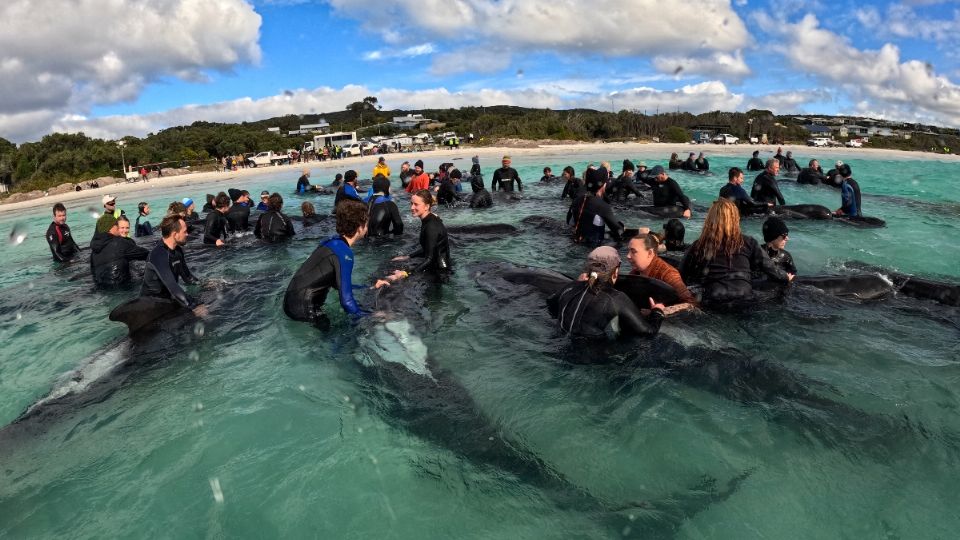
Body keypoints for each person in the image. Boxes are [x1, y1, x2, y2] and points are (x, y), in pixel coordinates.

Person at [679, 199, 793, 309]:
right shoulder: (749, 242)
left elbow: (680, 276)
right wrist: (785, 277)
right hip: (744, 300)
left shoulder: (699, 245)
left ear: (710, 220)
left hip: (714, 301)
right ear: (735, 219)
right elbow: (770, 268)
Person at [546, 246, 665, 339]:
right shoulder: (616, 299)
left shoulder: (570, 287)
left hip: (560, 346)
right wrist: (657, 312)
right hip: (592, 360)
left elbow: (550, 304)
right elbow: (648, 333)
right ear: (616, 271)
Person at [283, 200, 370, 326]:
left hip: (290, 302)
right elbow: (346, 302)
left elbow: (337, 284)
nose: (367, 228)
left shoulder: (329, 241)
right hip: (304, 310)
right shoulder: (345, 253)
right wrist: (371, 316)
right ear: (360, 227)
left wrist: (366, 288)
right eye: (366, 224)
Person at [383, 190, 452, 283]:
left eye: (416, 204)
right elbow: (429, 248)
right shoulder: (430, 219)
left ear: (427, 206)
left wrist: (406, 273)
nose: (412, 207)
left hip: (440, 273)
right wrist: (408, 257)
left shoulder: (431, 226)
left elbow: (429, 259)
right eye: (411, 203)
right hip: (437, 266)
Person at [141, 215, 202, 311]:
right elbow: (173, 287)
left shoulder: (178, 251)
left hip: (168, 299)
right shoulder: (158, 255)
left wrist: (204, 284)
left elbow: (188, 277)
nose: (187, 234)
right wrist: (193, 307)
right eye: (185, 232)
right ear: (174, 234)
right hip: (152, 305)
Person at [626, 233, 697, 306]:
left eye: (633, 251)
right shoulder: (635, 273)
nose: (628, 256)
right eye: (628, 251)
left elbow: (691, 304)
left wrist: (662, 311)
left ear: (650, 253)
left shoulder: (668, 274)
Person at [567, 167, 623, 245]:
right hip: (593, 248)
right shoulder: (602, 206)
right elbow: (618, 230)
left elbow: (568, 221)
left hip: (574, 243)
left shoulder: (576, 200)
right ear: (603, 185)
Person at [89, 215, 149, 287]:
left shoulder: (94, 250)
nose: (125, 230)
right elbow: (146, 254)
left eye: (127, 228)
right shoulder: (121, 243)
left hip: (102, 289)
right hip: (122, 288)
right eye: (121, 227)